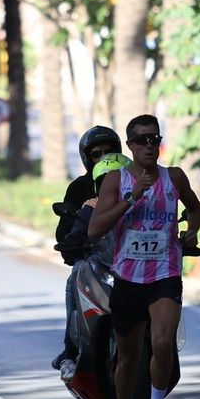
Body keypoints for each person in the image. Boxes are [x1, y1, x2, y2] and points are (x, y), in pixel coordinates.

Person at [87, 114, 200, 399]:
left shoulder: (175, 177)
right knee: (128, 359)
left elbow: (196, 209)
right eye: (142, 140)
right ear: (130, 146)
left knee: (165, 342)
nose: (150, 145)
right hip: (127, 277)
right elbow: (95, 229)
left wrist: (191, 231)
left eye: (155, 139)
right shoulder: (114, 181)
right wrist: (130, 199)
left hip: (165, 273)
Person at [51, 125, 124, 372]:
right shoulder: (80, 187)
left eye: (109, 152)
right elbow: (64, 232)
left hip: (133, 260)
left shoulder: (134, 183)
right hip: (96, 259)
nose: (103, 158)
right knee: (76, 275)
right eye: (96, 154)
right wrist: (79, 223)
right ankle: (70, 349)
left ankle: (162, 344)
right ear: (87, 158)